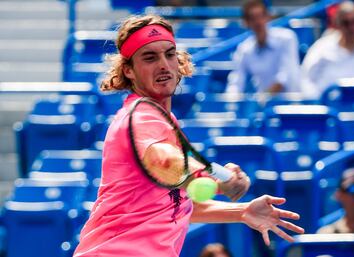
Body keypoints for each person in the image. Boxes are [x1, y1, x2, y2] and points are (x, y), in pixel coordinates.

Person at [73, 14, 304, 257]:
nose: (163, 64)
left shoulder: (163, 120)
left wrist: (242, 211)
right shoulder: (141, 115)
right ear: (129, 70)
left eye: (169, 54)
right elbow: (164, 160)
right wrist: (218, 178)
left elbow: (173, 204)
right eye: (150, 57)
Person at [225, 0, 300, 94]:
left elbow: (286, 75)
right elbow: (236, 81)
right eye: (253, 18)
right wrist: (230, 101)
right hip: (263, 105)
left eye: (261, 17)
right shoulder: (244, 49)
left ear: (268, 17)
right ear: (246, 23)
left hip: (294, 103)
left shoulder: (287, 38)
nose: (258, 22)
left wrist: (264, 97)